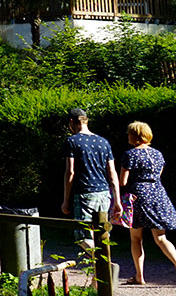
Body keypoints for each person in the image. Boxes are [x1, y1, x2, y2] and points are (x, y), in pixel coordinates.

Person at [119, 121, 176, 285]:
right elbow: (158, 175)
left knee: (136, 238)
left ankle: (140, 276)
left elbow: (123, 181)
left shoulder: (130, 154)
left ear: (134, 135)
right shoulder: (158, 154)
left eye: (129, 133)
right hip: (158, 195)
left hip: (138, 196)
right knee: (161, 237)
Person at [62, 108, 122, 249]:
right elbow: (112, 173)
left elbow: (70, 172)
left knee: (83, 236)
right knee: (102, 235)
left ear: (71, 122)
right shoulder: (103, 142)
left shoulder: (72, 141)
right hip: (104, 194)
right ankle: (103, 268)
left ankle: (108, 266)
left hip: (85, 194)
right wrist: (117, 201)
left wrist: (66, 200)